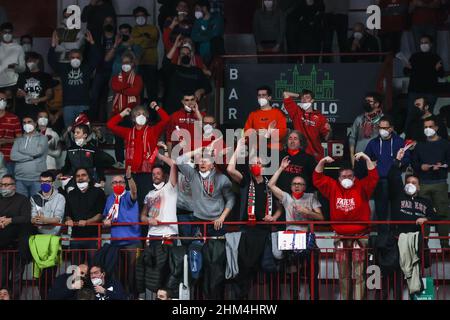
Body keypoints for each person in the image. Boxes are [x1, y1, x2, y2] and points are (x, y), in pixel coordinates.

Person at [313, 153, 379, 300]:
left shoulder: (362, 186)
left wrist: (367, 158)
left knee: (359, 274)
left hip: (360, 237)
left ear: (354, 178)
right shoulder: (332, 186)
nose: (347, 179)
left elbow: (374, 177)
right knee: (343, 274)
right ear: (338, 178)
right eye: (343, 176)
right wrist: (323, 161)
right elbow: (317, 178)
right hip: (340, 237)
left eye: (350, 176)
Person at [268, 156, 323, 300]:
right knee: (292, 271)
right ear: (291, 186)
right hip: (291, 236)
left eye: (300, 184)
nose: (297, 186)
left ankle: (314, 297)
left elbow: (321, 218)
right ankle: (294, 296)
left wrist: (307, 212)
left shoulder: (311, 197)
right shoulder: (286, 197)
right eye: (294, 184)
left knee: (312, 269)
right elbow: (271, 185)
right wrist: (281, 168)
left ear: (305, 186)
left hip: (306, 236)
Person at [107, 103, 170, 210]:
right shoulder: (128, 132)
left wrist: (156, 107)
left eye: (143, 114)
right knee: (130, 204)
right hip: (131, 175)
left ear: (147, 117)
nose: (141, 116)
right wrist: (122, 114)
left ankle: (145, 226)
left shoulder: (153, 131)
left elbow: (167, 119)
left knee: (146, 204)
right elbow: (110, 125)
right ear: (133, 118)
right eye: (137, 114)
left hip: (147, 174)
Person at [365, 116, 411, 233]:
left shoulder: (399, 142)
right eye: (380, 127)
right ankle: (382, 237)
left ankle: (396, 236)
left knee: (397, 210)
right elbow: (366, 158)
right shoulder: (373, 143)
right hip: (380, 181)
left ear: (391, 128)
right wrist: (370, 162)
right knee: (381, 212)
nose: (382, 130)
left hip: (395, 179)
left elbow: (407, 158)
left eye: (385, 127)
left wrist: (399, 163)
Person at [176, 146, 235, 237]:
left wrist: (222, 218)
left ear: (212, 165)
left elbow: (231, 199)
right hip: (198, 221)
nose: (202, 163)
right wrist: (196, 151)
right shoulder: (193, 175)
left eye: (206, 161)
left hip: (216, 222)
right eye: (200, 161)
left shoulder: (222, 178)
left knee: (217, 249)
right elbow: (179, 160)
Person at [48, 30, 101, 127]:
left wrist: (92, 43)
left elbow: (96, 59)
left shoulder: (86, 68)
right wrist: (53, 45)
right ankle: (69, 143)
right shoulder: (64, 68)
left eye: (77, 57)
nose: (75, 59)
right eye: (72, 57)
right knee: (69, 130)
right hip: (68, 105)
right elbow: (51, 61)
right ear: (69, 58)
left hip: (83, 104)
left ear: (81, 59)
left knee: (83, 129)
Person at [412, 117, 450, 248]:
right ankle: (424, 246)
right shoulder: (420, 145)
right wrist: (421, 167)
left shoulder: (445, 144)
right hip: (423, 183)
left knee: (443, 213)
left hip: (440, 182)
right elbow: (414, 163)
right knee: (423, 215)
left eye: (430, 126)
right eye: (425, 127)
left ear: (436, 128)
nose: (427, 129)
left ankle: (445, 245)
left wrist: (443, 165)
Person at [103, 166, 141, 296]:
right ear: (111, 185)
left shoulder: (128, 196)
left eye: (120, 182)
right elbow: (105, 218)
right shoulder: (109, 199)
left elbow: (134, 191)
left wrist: (129, 177)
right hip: (116, 242)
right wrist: (105, 223)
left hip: (132, 241)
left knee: (133, 274)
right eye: (114, 182)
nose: (117, 184)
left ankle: (133, 297)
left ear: (125, 184)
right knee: (119, 274)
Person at [30, 170, 66, 299]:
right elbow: (33, 219)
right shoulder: (35, 197)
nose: (45, 184)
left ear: (52, 183)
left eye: (48, 181)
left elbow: (57, 219)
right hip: (39, 240)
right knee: (40, 276)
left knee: (50, 274)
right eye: (42, 181)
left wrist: (44, 220)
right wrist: (41, 220)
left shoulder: (60, 197)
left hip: (54, 240)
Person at [403, 35, 445, 133]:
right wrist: (407, 67)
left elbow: (441, 74)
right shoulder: (414, 56)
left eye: (426, 42)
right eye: (421, 43)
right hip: (414, 91)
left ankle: (427, 136)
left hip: (430, 92)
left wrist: (437, 69)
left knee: (428, 115)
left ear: (430, 44)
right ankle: (407, 137)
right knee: (411, 115)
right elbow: (406, 72)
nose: (423, 45)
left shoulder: (436, 57)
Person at [0, 174, 31, 300]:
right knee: (1, 278)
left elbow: (26, 218)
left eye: (6, 185)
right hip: (2, 247)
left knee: (17, 279)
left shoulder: (22, 199)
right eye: (2, 185)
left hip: (19, 247)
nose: (3, 187)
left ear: (14, 186)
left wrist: (10, 220)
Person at [163, 35, 212, 114]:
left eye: (187, 53)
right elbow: (166, 61)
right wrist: (175, 45)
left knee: (197, 125)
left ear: (191, 55)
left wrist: (201, 90)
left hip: (191, 110)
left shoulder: (197, 71)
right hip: (173, 111)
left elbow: (208, 87)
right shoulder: (173, 69)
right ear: (179, 56)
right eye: (182, 53)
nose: (185, 55)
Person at [65, 168, 106, 262]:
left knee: (94, 267)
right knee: (76, 269)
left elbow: (100, 214)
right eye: (78, 176)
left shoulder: (98, 192)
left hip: (93, 236)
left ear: (89, 177)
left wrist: (87, 222)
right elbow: (68, 213)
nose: (80, 178)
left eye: (83, 175)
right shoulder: (71, 194)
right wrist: (68, 219)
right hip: (75, 236)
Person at [110, 51, 143, 168]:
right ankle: (119, 160)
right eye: (123, 62)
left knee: (133, 138)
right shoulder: (116, 77)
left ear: (133, 64)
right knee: (118, 139)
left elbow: (136, 91)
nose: (125, 64)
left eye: (128, 62)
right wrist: (128, 86)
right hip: (118, 113)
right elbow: (115, 86)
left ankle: (133, 160)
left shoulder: (137, 78)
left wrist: (122, 89)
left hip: (132, 113)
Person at [141, 152, 178, 244]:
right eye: (153, 174)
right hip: (152, 234)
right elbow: (142, 216)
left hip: (168, 233)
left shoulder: (170, 187)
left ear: (164, 176)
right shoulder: (149, 194)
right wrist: (149, 220)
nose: (155, 176)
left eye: (158, 173)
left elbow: (173, 164)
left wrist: (157, 154)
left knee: (166, 258)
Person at [283, 90, 331, 161]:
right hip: (299, 154)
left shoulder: (320, 117)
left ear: (312, 100)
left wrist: (329, 130)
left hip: (315, 155)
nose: (304, 100)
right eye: (303, 98)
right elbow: (285, 94)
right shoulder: (296, 112)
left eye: (307, 97)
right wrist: (299, 96)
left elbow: (327, 138)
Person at [10, 115, 48, 198]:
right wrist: (31, 157)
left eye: (29, 122)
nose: (26, 124)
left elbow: (37, 152)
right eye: (24, 122)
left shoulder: (43, 138)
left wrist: (21, 152)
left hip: (37, 179)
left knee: (37, 206)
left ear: (35, 123)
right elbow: (13, 156)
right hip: (20, 179)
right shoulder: (18, 140)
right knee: (21, 206)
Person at [60, 123, 106, 189]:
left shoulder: (93, 149)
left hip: (90, 178)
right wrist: (61, 173)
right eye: (74, 132)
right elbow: (67, 165)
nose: (75, 134)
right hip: (74, 178)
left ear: (85, 135)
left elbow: (99, 166)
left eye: (77, 132)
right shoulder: (70, 149)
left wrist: (102, 179)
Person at [349, 92, 384, 177]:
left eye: (369, 101)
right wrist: (352, 158)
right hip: (359, 159)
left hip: (375, 160)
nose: (366, 103)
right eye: (365, 101)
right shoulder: (359, 119)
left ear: (377, 104)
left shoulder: (383, 120)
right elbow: (352, 138)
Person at [244, 86, 287, 152]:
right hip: (257, 150)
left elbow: (283, 132)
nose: (261, 97)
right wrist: (256, 131)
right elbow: (246, 133)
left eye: (264, 95)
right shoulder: (253, 114)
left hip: (274, 150)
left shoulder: (278, 113)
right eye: (259, 95)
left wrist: (268, 133)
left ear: (269, 97)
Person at [90, 16, 116, 122]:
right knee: (95, 96)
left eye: (111, 21)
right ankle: (93, 121)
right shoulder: (98, 38)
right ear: (103, 24)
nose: (108, 23)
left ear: (114, 24)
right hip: (100, 70)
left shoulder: (118, 37)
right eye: (106, 21)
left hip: (113, 71)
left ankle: (109, 121)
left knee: (110, 98)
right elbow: (92, 55)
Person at [15, 51, 55, 121]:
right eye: (28, 61)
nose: (29, 63)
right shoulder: (22, 76)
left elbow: (50, 95)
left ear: (37, 61)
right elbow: (17, 94)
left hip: (39, 110)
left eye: (31, 61)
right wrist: (22, 94)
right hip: (23, 110)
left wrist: (37, 100)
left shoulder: (46, 76)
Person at [131, 6, 160, 101]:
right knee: (139, 90)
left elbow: (151, 41)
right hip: (138, 63)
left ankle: (153, 114)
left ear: (146, 17)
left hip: (151, 62)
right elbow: (134, 41)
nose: (140, 18)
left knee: (152, 90)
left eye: (142, 15)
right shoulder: (134, 30)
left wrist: (140, 40)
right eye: (137, 16)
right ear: (135, 18)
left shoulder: (153, 29)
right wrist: (145, 39)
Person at [191, 0, 225, 65]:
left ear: (204, 8)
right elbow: (193, 37)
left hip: (215, 54)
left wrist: (200, 34)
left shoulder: (217, 18)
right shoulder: (197, 21)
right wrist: (208, 34)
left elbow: (216, 34)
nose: (196, 11)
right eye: (195, 10)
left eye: (197, 9)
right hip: (200, 55)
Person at [0, 90, 22, 174]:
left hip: (9, 159)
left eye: (4, 100)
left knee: (9, 184)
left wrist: (7, 140)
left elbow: (20, 139)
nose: (2, 102)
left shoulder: (14, 118)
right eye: (0, 99)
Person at [0, 22, 25, 90]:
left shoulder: (19, 48)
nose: (7, 34)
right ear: (1, 33)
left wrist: (15, 67)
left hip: (13, 83)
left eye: (9, 32)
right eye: (5, 32)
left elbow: (23, 68)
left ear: (12, 33)